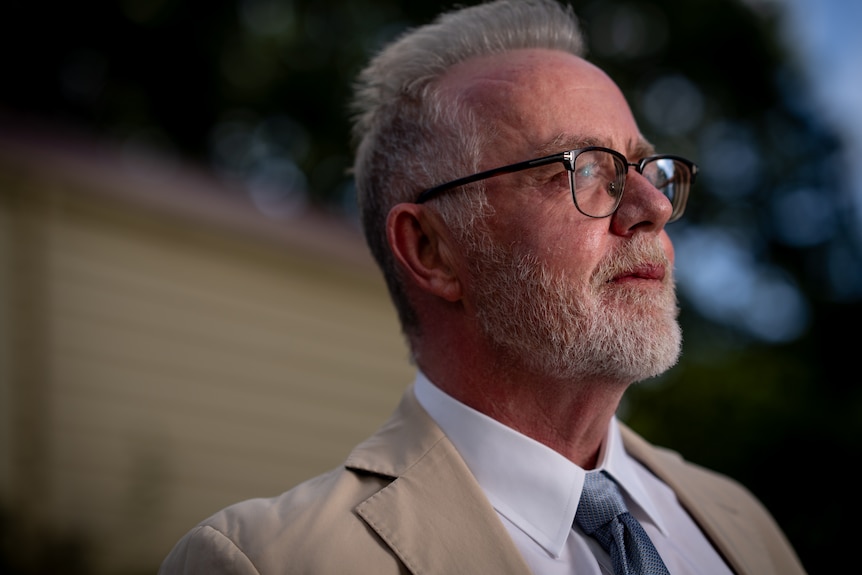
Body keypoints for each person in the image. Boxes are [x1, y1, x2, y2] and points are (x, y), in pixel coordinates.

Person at [159, 1, 806, 573]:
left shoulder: (741, 521)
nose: (651, 207)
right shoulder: (266, 561)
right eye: (584, 169)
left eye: (645, 168)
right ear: (431, 250)